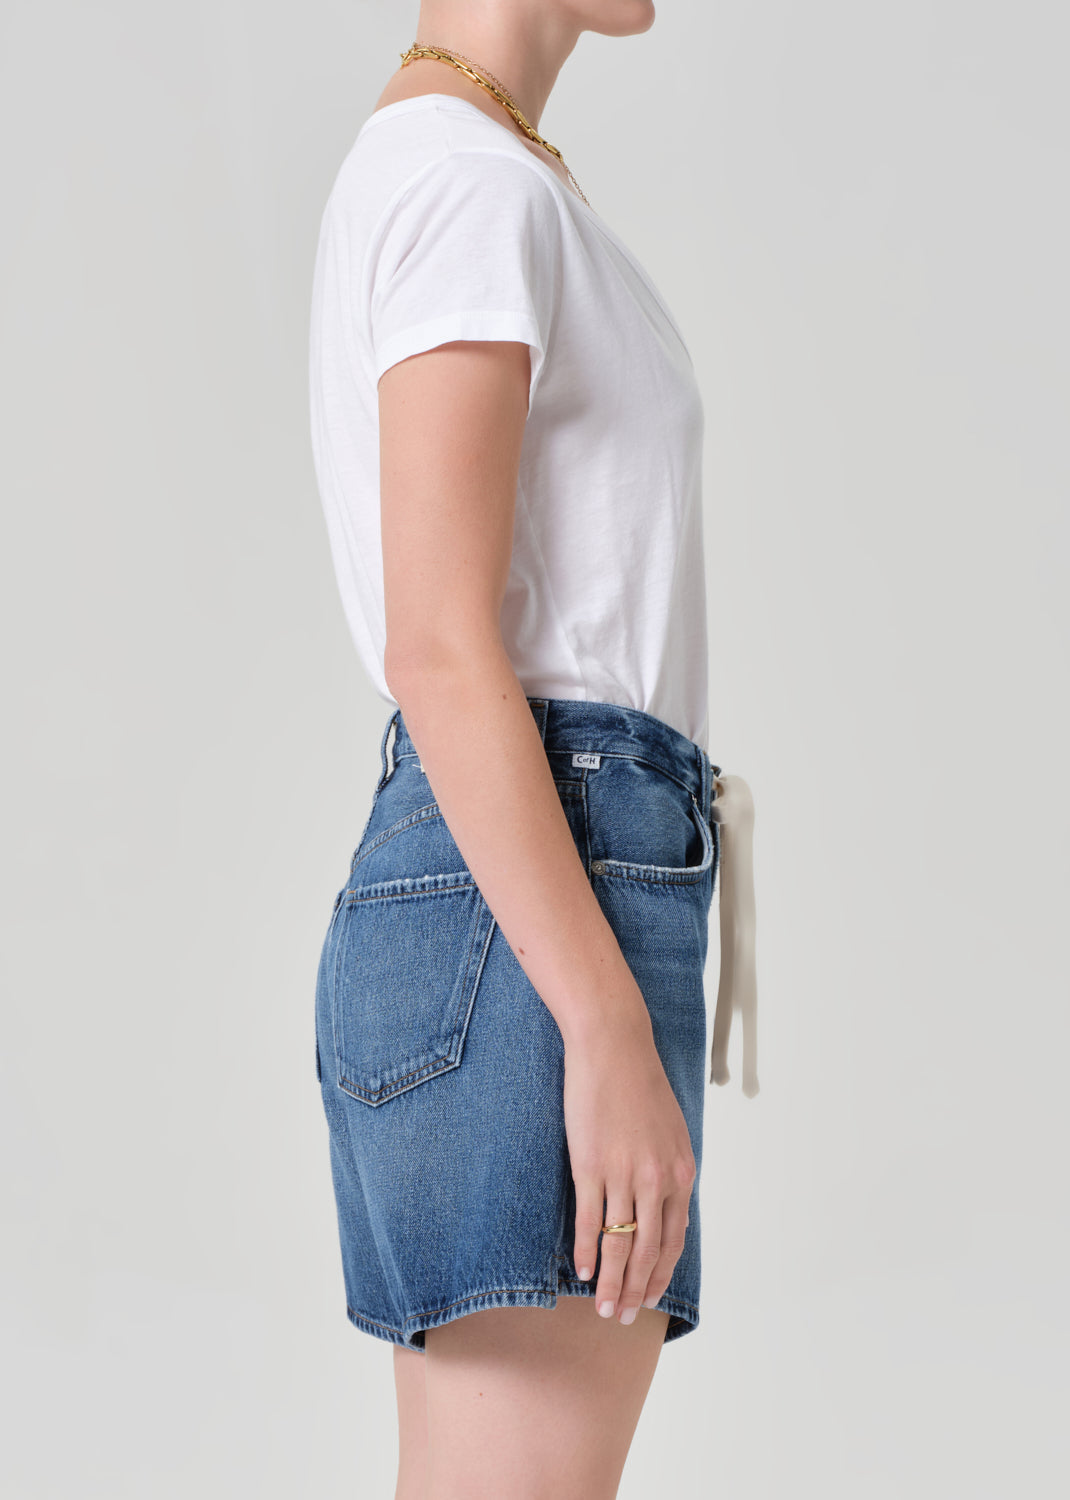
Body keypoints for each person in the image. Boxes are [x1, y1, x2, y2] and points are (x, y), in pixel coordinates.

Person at [308, 4, 757, 1496]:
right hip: (541, 896)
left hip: (513, 890)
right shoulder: (465, 185)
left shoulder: (482, 174)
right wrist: (607, 1024)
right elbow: (438, 645)